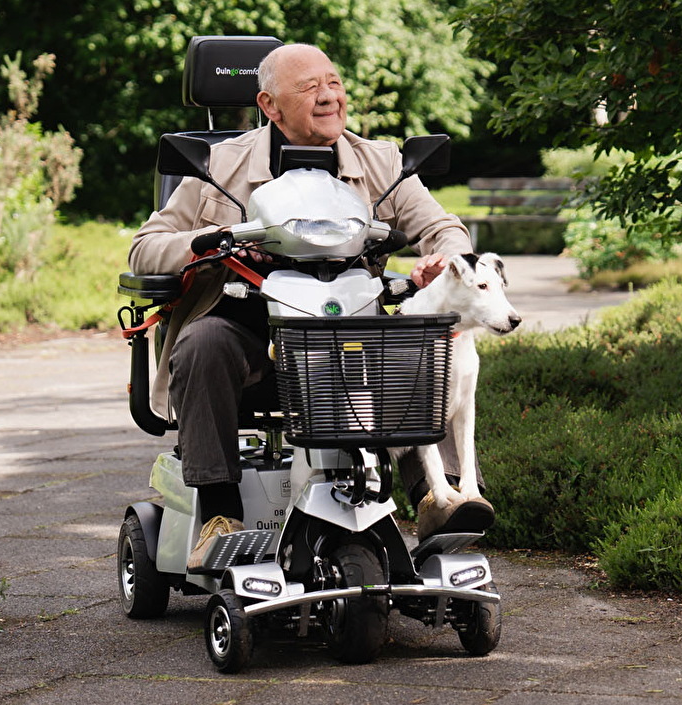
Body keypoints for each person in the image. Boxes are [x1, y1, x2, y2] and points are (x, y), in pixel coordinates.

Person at [128, 43, 494, 572]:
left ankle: (439, 497)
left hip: (350, 332)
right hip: (251, 334)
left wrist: (448, 260)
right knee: (203, 342)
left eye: (335, 83)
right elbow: (146, 246)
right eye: (310, 88)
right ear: (270, 106)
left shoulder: (381, 161)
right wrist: (212, 239)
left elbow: (442, 227)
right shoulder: (219, 165)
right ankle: (221, 515)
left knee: (417, 343)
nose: (329, 97)